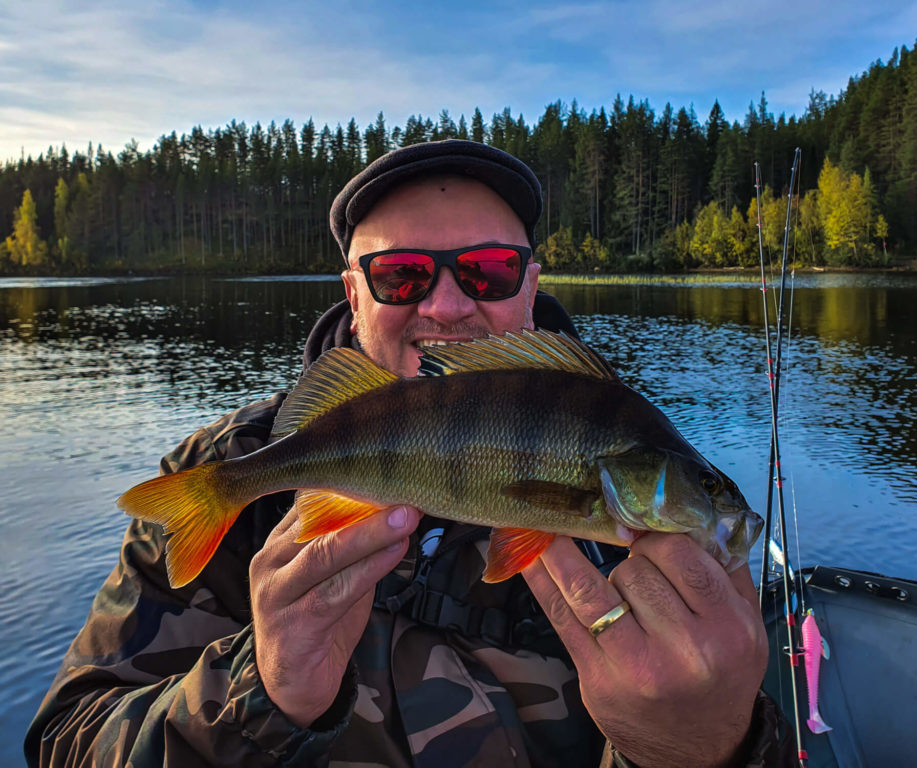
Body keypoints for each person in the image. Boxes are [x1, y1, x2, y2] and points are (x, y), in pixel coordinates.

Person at [26, 140, 795, 767]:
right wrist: (260, 691)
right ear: (353, 294)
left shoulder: (670, 553)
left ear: (530, 283)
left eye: (489, 270)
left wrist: (701, 747)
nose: (448, 305)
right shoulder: (224, 466)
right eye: (399, 275)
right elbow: (68, 740)